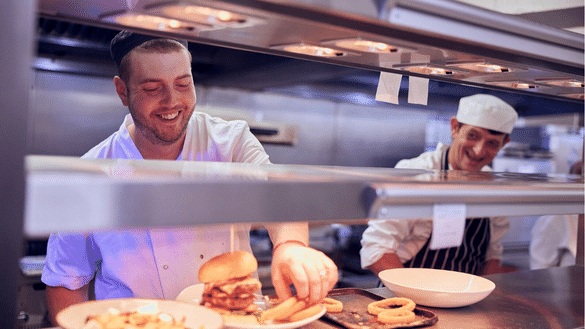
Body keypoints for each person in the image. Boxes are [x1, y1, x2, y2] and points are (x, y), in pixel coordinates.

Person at [41, 31, 337, 324]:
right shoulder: (90, 174)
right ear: (122, 91)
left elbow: (278, 193)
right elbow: (65, 282)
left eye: (183, 84)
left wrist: (290, 247)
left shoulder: (229, 142)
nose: (172, 101)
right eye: (153, 88)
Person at [360, 94, 518, 277]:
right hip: (407, 294)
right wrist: (417, 297)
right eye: (472, 135)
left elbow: (492, 254)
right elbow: (377, 249)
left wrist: (483, 296)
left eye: (492, 143)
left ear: (504, 143)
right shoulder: (416, 173)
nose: (478, 150)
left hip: (465, 299)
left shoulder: (494, 187)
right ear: (455, 127)